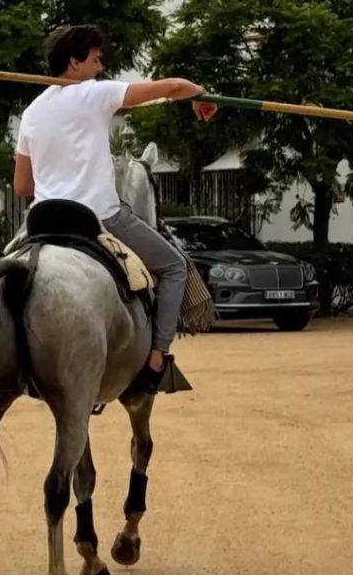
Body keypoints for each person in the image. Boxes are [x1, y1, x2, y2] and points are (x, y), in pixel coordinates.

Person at [13, 24, 217, 393]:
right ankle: (157, 359)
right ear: (74, 63)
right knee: (174, 267)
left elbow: (22, 186)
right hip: (99, 215)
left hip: (42, 220)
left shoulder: (30, 112)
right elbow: (171, 88)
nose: (101, 66)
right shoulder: (94, 93)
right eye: (95, 59)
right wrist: (202, 94)